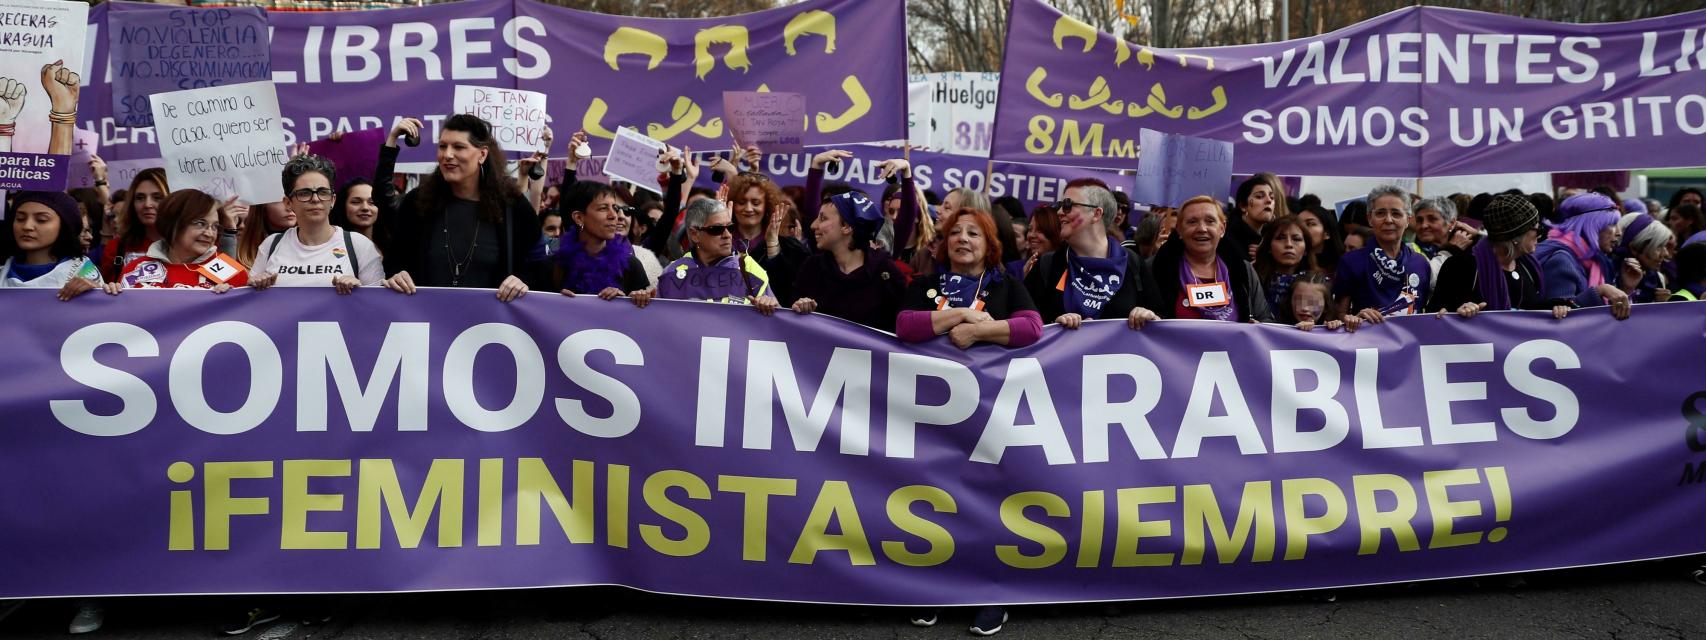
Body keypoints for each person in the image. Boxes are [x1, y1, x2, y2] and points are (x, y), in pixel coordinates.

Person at [380, 114, 546, 302]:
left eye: (459, 147)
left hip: (492, 326)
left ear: (482, 154)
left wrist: (523, 281)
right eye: (442, 146)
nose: (447, 155)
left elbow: (540, 267)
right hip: (427, 323)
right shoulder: (417, 203)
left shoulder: (513, 205)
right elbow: (393, 260)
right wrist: (396, 275)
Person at [897, 207, 1042, 353]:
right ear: (947, 244)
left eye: (973, 233)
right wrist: (962, 314)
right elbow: (904, 326)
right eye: (954, 233)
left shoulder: (1007, 285)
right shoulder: (924, 284)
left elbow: (1032, 327)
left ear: (989, 246)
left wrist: (976, 331)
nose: (962, 238)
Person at [1023, 183, 1163, 330]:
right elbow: (1021, 321)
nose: (1059, 212)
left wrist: (1149, 316)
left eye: (1068, 205)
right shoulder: (1048, 264)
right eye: (1060, 205)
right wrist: (1053, 326)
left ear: (1096, 214)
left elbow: (1163, 319)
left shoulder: (1133, 263)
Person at [247, 154, 385, 292]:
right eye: (304, 193)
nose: (315, 199)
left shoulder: (359, 245)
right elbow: (247, 302)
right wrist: (255, 285)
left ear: (332, 200)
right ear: (288, 203)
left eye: (323, 192)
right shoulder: (271, 245)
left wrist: (359, 291)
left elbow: (378, 305)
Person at [1425, 194, 1572, 318]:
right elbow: (1435, 315)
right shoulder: (1462, 266)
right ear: (1516, 235)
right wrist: (1459, 312)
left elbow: (1532, 309)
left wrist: (1557, 307)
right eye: (1537, 228)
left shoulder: (1529, 266)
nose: (1540, 235)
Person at [790, 190, 907, 331]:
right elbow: (790, 323)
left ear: (846, 226)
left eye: (822, 219)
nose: (813, 225)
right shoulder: (812, 268)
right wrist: (799, 309)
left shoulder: (886, 274)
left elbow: (902, 329)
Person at [1150, 196, 1272, 322]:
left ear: (1222, 228)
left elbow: (1265, 318)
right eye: (1192, 222)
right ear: (1179, 230)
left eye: (1210, 221)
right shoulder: (1158, 268)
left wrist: (1257, 327)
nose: (1202, 229)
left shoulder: (1243, 270)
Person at [655, 198, 777, 313]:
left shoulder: (749, 268)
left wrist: (771, 305)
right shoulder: (671, 274)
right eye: (716, 229)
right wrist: (641, 302)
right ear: (694, 234)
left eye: (730, 228)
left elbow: (778, 322)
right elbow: (656, 322)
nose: (727, 235)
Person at [1334, 185, 1430, 324]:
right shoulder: (1351, 261)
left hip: (1410, 343)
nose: (1388, 220)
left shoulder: (1420, 263)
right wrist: (1354, 317)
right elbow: (1338, 315)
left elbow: (1426, 312)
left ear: (1408, 220)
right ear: (1369, 219)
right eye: (1380, 213)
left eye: (1396, 214)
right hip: (1367, 343)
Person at [118, 189, 249, 291]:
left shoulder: (231, 272)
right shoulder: (135, 269)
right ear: (173, 223)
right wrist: (110, 293)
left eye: (215, 226)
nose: (209, 233)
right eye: (200, 223)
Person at [1531, 192, 1633, 319]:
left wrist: (1627, 288)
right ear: (1591, 225)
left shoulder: (1596, 260)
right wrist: (1599, 291)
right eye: (1612, 224)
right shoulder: (1561, 259)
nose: (1618, 232)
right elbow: (1561, 318)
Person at [0, 191, 115, 299]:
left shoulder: (83, 271)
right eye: (20, 218)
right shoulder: (3, 273)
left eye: (41, 220)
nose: (27, 226)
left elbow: (102, 317)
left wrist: (98, 293)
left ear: (64, 226)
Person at [724, 164, 808, 305]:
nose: (748, 208)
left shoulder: (784, 244)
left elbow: (786, 287)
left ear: (767, 206)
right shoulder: (720, 238)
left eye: (756, 203)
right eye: (742, 202)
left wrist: (772, 246)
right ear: (732, 204)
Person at [554, 182, 651, 303]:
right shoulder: (554, 267)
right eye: (603, 208)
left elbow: (642, 318)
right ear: (579, 218)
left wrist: (629, 301)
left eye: (614, 208)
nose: (614, 215)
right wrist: (556, 303)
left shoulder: (630, 266)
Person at [99, 167, 169, 281]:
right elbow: (106, 295)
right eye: (140, 198)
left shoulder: (189, 247)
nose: (147, 204)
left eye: (157, 197)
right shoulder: (115, 248)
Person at [1253, 215, 1317, 324]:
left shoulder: (1318, 282)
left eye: (1296, 239)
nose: (1288, 244)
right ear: (1269, 246)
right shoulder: (1251, 278)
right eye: (1280, 238)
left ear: (1306, 249)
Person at [1409, 197, 1478, 286]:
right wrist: (1451, 250)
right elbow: (1428, 279)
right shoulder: (1409, 249)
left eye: (1432, 219)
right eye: (1419, 220)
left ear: (1451, 223)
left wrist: (1478, 236)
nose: (1424, 225)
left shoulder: (1469, 248)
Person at [1615, 211, 1677, 303]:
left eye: (1665, 246)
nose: (1666, 254)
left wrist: (1660, 305)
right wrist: (1626, 291)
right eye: (1658, 246)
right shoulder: (1610, 275)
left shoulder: (1657, 278)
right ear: (1634, 248)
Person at [1225, 173, 1287, 260]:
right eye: (1259, 196)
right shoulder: (1228, 240)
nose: (1269, 200)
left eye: (1272, 197)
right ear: (1243, 206)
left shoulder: (1270, 239)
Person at [1285, 272, 1356, 332]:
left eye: (1312, 303)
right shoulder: (1275, 330)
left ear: (1326, 306)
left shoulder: (1334, 328)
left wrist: (1336, 331)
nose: (1305, 308)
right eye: (1299, 301)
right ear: (1290, 301)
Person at [236, 201, 297, 267]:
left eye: (292, 199)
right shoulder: (241, 251)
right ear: (262, 208)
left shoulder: (306, 243)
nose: (289, 207)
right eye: (279, 202)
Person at [1297, 205, 1343, 272]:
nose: (1302, 228)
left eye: (1310, 224)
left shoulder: (1343, 265)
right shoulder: (1291, 264)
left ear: (1327, 233)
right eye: (1298, 224)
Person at [1018, 204, 1062, 276]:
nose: (1031, 235)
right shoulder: (1014, 269)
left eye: (1039, 230)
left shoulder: (1068, 270)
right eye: (1030, 229)